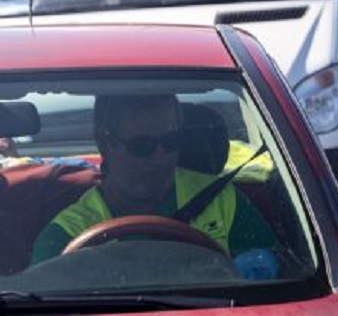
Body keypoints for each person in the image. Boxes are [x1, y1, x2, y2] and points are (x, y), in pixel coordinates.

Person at [30, 93, 280, 279]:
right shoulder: (64, 236)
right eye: (142, 146)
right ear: (105, 144)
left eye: (171, 142)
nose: (160, 158)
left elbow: (278, 282)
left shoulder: (223, 199)